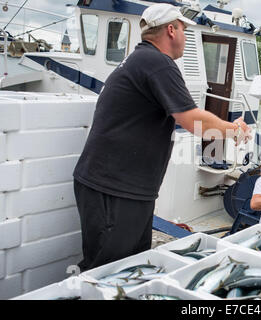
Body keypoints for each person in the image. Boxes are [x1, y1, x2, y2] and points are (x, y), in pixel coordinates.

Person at [72, 3, 251, 271]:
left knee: (131, 269)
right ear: (171, 30)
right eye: (183, 30)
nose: (186, 37)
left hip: (124, 189)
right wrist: (234, 129)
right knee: (106, 273)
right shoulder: (157, 63)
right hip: (114, 189)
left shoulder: (141, 59)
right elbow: (191, 119)